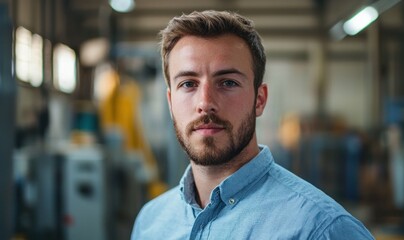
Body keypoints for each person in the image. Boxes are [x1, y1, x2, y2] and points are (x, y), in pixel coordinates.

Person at [131, 10, 374, 239]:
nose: (205, 103)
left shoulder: (321, 229)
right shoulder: (151, 223)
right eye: (188, 84)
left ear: (259, 100)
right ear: (171, 102)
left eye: (227, 82)